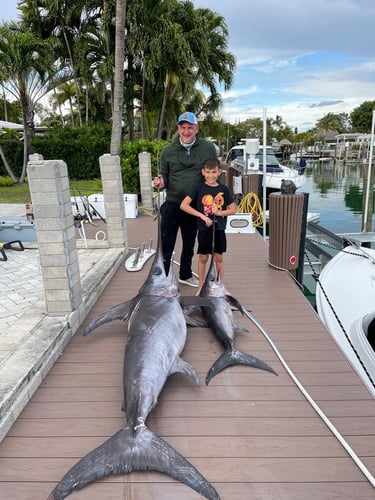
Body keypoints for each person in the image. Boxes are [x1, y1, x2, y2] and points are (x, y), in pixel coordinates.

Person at [153, 111, 218, 287]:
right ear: (178, 129)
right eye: (183, 127)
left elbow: (213, 175)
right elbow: (164, 179)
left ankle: (185, 274)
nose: (186, 131)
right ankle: (164, 277)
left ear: (197, 129)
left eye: (190, 127)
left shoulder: (208, 148)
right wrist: (159, 182)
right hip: (173, 204)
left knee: (189, 244)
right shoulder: (167, 151)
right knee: (166, 244)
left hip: (194, 206)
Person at [180, 157, 236, 294]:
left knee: (218, 257)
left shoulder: (224, 189)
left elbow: (233, 209)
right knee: (203, 257)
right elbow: (183, 205)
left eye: (214, 172)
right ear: (203, 172)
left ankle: (220, 286)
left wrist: (220, 212)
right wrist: (201, 215)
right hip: (204, 228)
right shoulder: (198, 188)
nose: (211, 175)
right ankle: (201, 286)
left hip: (219, 228)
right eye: (208, 172)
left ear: (219, 172)